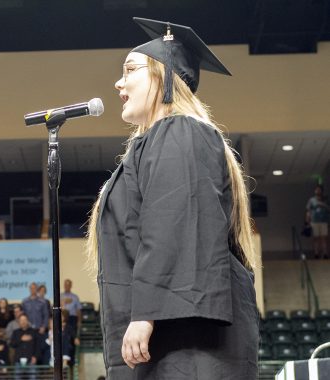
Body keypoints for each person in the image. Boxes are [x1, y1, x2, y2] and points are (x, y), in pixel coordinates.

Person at [86, 17, 259, 379]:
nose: (118, 81)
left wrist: (145, 314)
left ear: (163, 77)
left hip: (183, 339)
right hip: (169, 336)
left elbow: (173, 221)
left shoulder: (180, 132)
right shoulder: (157, 143)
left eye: (130, 69)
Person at [306, 184, 329, 259]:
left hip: (324, 221)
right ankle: (316, 253)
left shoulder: (326, 199)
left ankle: (325, 253)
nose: (318, 191)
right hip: (314, 221)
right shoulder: (311, 200)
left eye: (319, 189)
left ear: (322, 191)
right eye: (316, 189)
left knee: (324, 238)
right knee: (316, 238)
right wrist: (307, 220)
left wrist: (322, 205)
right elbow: (308, 210)